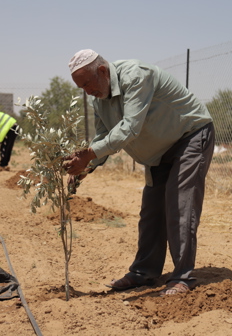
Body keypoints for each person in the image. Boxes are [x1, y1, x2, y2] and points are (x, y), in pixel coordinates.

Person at [65, 49, 215, 295]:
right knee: (152, 212)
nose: (87, 91)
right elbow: (103, 137)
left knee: (180, 205)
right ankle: (143, 272)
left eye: (87, 84)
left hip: (189, 136)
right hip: (159, 152)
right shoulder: (98, 99)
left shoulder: (135, 76)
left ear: (102, 71)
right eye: (81, 87)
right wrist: (86, 167)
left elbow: (130, 128)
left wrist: (88, 155)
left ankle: (182, 277)